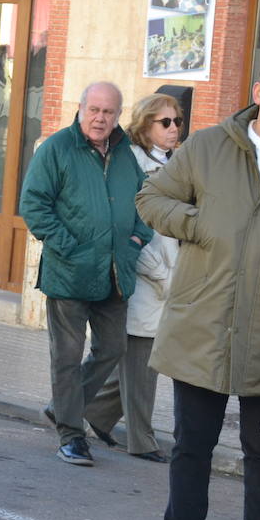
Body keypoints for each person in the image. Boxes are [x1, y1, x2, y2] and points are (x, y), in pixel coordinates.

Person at [139, 48, 260, 520]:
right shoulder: (207, 147)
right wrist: (196, 224)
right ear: (259, 89)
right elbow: (152, 197)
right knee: (191, 447)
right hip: (202, 321)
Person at [19, 82, 151, 467]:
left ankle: (64, 406)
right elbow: (34, 204)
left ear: (118, 116)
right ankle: (71, 435)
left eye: (108, 112)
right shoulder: (57, 149)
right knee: (67, 356)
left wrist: (137, 240)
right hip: (70, 272)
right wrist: (69, 246)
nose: (100, 118)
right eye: (94, 109)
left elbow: (143, 202)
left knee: (113, 348)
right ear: (81, 109)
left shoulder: (126, 155)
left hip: (114, 273)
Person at [83, 95, 182, 464]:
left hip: (170, 279)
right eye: (165, 123)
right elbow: (129, 229)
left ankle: (77, 406)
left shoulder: (174, 164)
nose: (174, 130)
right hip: (143, 279)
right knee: (143, 364)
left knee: (141, 359)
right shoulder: (133, 166)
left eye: (177, 122)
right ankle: (142, 440)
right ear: (144, 126)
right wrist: (159, 273)